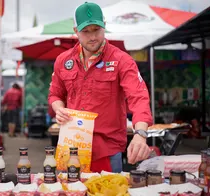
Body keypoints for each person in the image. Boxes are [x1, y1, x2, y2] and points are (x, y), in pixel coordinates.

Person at [48, 2, 153, 173]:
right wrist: (58, 108)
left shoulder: (122, 60)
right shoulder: (63, 60)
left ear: (104, 26)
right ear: (76, 31)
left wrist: (140, 135)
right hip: (71, 148)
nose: (92, 37)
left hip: (107, 151)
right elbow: (55, 94)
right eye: (85, 31)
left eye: (96, 29)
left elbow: (139, 98)